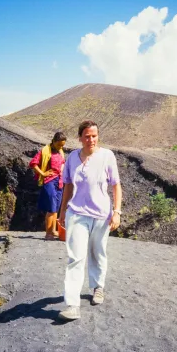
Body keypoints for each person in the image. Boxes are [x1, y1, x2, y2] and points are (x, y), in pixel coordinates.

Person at [58, 120, 122, 321]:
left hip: (101, 215)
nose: (91, 139)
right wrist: (62, 211)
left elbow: (116, 186)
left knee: (97, 252)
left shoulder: (107, 156)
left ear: (98, 136)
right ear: (80, 138)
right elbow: (67, 186)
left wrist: (117, 212)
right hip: (76, 213)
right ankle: (72, 304)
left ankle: (97, 287)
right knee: (75, 258)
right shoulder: (72, 158)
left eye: (94, 135)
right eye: (87, 136)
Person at [29, 132, 67, 240]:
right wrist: (43, 173)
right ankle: (48, 233)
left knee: (56, 208)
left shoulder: (60, 151)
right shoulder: (45, 151)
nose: (61, 147)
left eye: (62, 145)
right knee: (51, 207)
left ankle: (53, 230)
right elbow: (33, 163)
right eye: (59, 144)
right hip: (49, 181)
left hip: (59, 181)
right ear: (54, 141)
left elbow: (63, 162)